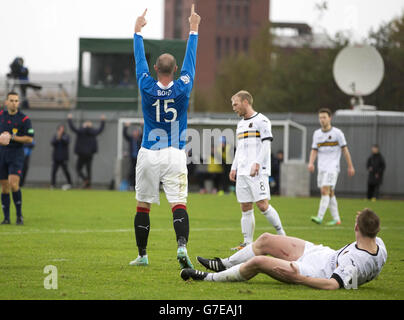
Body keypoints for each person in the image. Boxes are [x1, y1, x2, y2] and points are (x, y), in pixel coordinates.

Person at [129, 6, 200, 268]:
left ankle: (143, 255)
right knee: (178, 203)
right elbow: (191, 59)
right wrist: (194, 29)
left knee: (142, 204)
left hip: (148, 152)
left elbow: (139, 61)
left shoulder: (146, 86)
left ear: (156, 67)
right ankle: (181, 246)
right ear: (176, 69)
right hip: (174, 153)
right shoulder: (183, 86)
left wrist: (137, 31)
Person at [181, 208, 387, 291]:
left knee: (258, 263)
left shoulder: (354, 262)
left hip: (314, 271)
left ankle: (208, 278)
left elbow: (332, 285)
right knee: (266, 239)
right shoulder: (380, 246)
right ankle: (223, 264)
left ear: (356, 228)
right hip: (323, 254)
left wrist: (301, 278)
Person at [229, 90, 286, 251]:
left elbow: (267, 145)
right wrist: (234, 168)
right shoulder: (240, 124)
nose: (234, 108)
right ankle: (247, 243)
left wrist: (257, 163)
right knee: (245, 207)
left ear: (246, 102)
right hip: (242, 172)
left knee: (262, 205)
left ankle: (282, 235)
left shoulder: (262, 121)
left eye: (236, 104)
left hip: (258, 171)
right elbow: (240, 148)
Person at [308, 108, 355, 226]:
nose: (322, 120)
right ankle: (337, 219)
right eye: (320, 118)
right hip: (322, 167)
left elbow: (345, 150)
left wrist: (350, 166)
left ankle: (319, 217)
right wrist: (311, 163)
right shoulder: (317, 134)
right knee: (330, 193)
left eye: (324, 117)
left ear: (330, 118)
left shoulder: (337, 133)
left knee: (325, 190)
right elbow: (314, 150)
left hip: (333, 167)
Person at [0, 92, 35, 225]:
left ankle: (19, 215)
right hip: (2, 153)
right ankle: (6, 218)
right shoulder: (1, 116)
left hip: (16, 154)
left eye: (16, 101)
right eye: (11, 100)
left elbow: (29, 138)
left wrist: (12, 137)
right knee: (4, 187)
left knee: (13, 183)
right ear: (6, 102)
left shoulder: (24, 119)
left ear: (18, 103)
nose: (14, 103)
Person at [67, 113, 105, 188]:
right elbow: (100, 130)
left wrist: (69, 119)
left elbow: (73, 128)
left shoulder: (81, 131)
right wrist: (103, 121)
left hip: (81, 153)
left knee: (78, 168)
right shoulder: (93, 131)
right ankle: (88, 184)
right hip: (89, 153)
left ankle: (85, 180)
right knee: (88, 169)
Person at [51, 124, 73, 190]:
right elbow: (52, 143)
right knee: (54, 171)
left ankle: (70, 183)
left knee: (66, 171)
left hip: (63, 157)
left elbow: (67, 142)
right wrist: (58, 137)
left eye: (62, 128)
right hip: (56, 157)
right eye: (60, 128)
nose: (61, 130)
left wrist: (61, 137)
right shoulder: (55, 136)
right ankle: (53, 184)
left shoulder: (66, 136)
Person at [123, 122, 142, 189]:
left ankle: (139, 185)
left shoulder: (140, 139)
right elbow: (125, 135)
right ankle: (132, 185)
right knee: (132, 171)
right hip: (132, 157)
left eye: (136, 132)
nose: (135, 133)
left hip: (139, 158)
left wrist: (142, 126)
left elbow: (145, 134)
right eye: (134, 132)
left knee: (139, 172)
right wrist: (126, 127)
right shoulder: (131, 139)